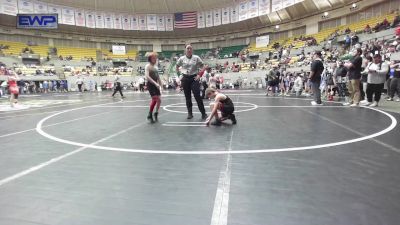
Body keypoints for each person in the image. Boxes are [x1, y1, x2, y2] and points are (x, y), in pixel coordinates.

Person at [176, 44, 207, 119]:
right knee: (187, 97)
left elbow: (204, 66)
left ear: (192, 50)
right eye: (187, 48)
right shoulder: (181, 58)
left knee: (197, 96)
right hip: (185, 79)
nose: (189, 50)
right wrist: (180, 75)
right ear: (185, 50)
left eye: (190, 48)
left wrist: (199, 75)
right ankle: (190, 113)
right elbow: (177, 67)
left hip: (194, 79)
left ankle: (203, 113)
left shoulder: (196, 58)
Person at [145, 52, 162, 123]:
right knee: (155, 99)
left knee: (159, 100)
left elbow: (158, 77)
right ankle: (150, 114)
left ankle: (156, 113)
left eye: (156, 58)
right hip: (151, 84)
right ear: (150, 59)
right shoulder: (147, 66)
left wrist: (161, 85)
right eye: (153, 58)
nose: (155, 59)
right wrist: (155, 83)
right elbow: (147, 76)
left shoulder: (156, 67)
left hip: (156, 85)